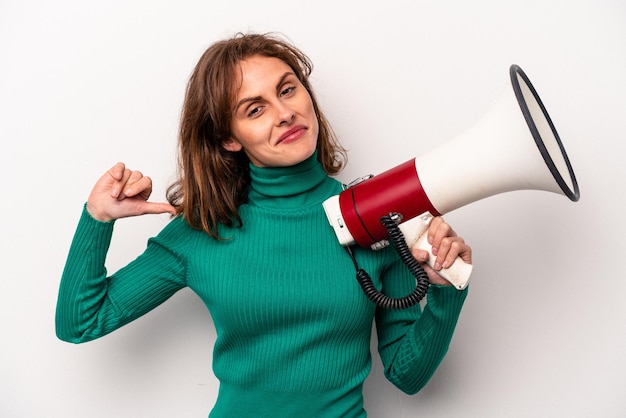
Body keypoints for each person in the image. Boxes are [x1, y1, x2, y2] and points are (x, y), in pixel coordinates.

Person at [56, 32, 472, 418]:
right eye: (255, 109)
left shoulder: (375, 216)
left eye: (288, 89)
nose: (285, 113)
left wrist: (446, 287)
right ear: (228, 138)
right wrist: (97, 219)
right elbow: (80, 322)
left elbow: (408, 376)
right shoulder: (202, 232)